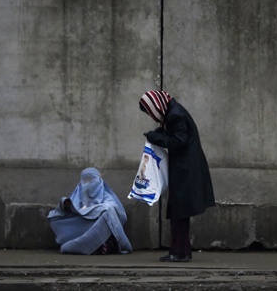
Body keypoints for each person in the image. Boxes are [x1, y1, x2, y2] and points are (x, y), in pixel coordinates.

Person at [139, 90, 215, 262]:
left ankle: (179, 252)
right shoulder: (173, 112)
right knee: (179, 213)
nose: (152, 116)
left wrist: (154, 136)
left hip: (184, 170)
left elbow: (178, 142)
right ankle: (181, 251)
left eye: (150, 111)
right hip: (184, 169)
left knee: (179, 213)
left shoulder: (175, 115)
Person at [47, 167, 132, 255]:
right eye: (85, 180)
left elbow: (111, 207)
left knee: (107, 212)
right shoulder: (78, 194)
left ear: (99, 180)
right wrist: (65, 205)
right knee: (54, 218)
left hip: (98, 227)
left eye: (91, 179)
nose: (87, 184)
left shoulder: (106, 195)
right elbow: (68, 209)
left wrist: (95, 210)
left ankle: (89, 245)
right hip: (81, 226)